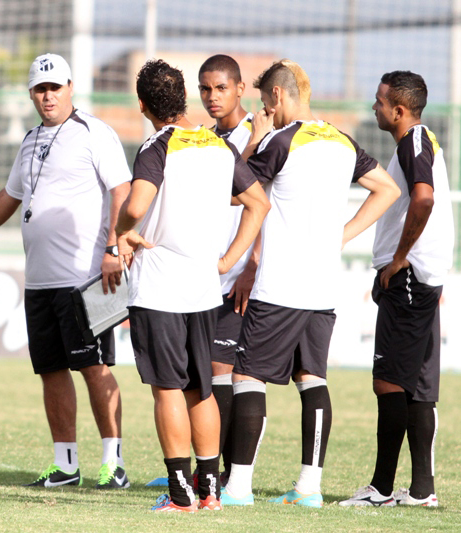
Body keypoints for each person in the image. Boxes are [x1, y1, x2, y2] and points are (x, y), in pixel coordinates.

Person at [0, 53, 132, 489]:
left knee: (95, 366)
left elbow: (120, 189)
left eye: (55, 87)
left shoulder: (94, 132)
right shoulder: (29, 139)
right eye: (40, 89)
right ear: (31, 93)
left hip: (85, 276)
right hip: (41, 278)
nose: (48, 96)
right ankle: (66, 465)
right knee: (50, 370)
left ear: (70, 88)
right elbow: (11, 196)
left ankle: (114, 462)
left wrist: (113, 246)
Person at [223, 59, 400, 508]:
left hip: (280, 285)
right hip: (322, 288)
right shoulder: (340, 140)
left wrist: (254, 141)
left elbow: (232, 190)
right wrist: (342, 234)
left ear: (278, 96)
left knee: (247, 377)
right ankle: (309, 488)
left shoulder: (281, 140)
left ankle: (239, 487)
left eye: (265, 103)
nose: (265, 111)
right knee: (312, 378)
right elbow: (387, 189)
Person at [116, 59, 270, 512]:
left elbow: (138, 202)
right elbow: (257, 203)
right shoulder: (217, 145)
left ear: (142, 104)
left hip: (161, 288)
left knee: (167, 389)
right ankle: (210, 492)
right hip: (204, 289)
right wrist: (227, 259)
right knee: (200, 390)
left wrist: (125, 228)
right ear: (183, 96)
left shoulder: (156, 146)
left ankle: (181, 493)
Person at [341, 71, 454, 508]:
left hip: (409, 278)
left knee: (388, 384)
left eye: (379, 100)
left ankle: (382, 490)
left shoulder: (412, 142)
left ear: (399, 110)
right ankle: (422, 491)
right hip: (425, 280)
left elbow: (422, 198)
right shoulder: (423, 142)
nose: (375, 107)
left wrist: (401, 256)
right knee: (418, 387)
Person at [197, 53, 263, 489]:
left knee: (228, 373)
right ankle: (208, 471)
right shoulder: (202, 137)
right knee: (206, 374)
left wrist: (252, 265)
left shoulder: (260, 133)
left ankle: (226, 476)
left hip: (239, 275)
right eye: (205, 89)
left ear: (240, 88)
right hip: (204, 274)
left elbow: (267, 204)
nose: (212, 97)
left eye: (221, 88)